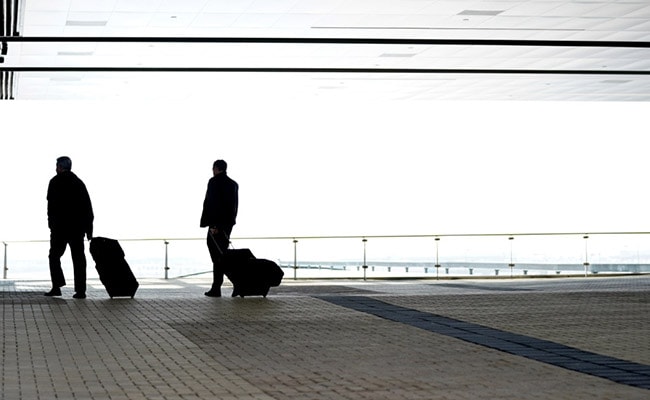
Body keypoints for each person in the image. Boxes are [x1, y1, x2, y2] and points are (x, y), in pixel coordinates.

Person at [45, 156, 94, 299]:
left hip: (59, 228)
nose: (56, 169)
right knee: (79, 259)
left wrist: (51, 224)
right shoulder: (78, 183)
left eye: (56, 166)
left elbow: (51, 207)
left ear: (60, 167)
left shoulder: (54, 182)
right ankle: (80, 291)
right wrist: (89, 230)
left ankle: (57, 286)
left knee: (54, 256)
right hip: (77, 228)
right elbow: (87, 208)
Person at [200, 159, 239, 297]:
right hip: (227, 225)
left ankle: (217, 287)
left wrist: (214, 225)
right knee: (222, 255)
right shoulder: (233, 184)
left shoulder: (214, 182)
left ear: (216, 168)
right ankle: (233, 283)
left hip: (216, 225)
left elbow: (212, 204)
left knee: (218, 257)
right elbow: (233, 207)